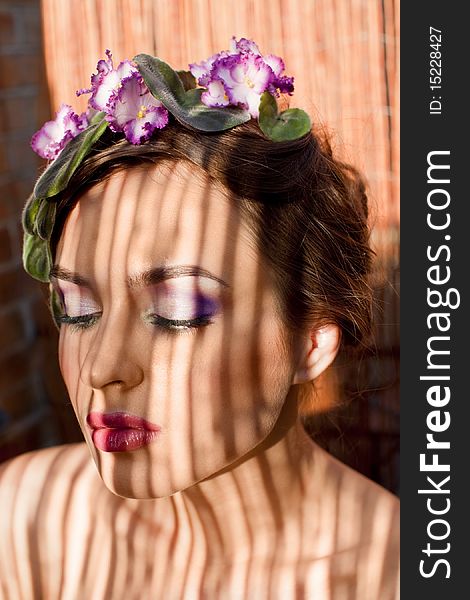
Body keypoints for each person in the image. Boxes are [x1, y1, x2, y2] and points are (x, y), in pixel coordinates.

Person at [0, 39, 399, 599]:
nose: (104, 368)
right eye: (79, 308)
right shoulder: (27, 522)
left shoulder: (391, 576)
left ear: (312, 339)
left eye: (178, 312)